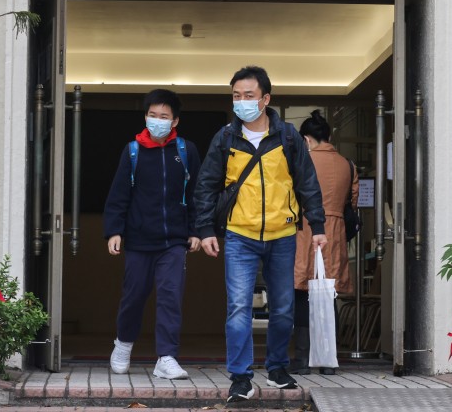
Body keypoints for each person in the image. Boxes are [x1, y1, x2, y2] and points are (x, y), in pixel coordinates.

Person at [194, 66, 326, 403]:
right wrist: (206, 229)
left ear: (266, 99)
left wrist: (318, 227)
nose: (241, 102)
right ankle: (240, 378)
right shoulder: (225, 138)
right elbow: (206, 185)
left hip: (282, 234)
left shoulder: (288, 136)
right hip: (240, 235)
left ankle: (278, 368)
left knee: (282, 308)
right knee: (239, 308)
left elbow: (307, 182)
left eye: (248, 96)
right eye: (236, 96)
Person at [103, 88, 202, 380]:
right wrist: (114, 231)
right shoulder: (132, 151)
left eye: (164, 116)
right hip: (137, 239)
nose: (157, 120)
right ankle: (123, 345)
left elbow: (196, 193)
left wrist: (195, 230)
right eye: (152, 115)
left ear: (175, 122)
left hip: (174, 240)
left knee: (170, 296)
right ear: (146, 117)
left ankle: (166, 357)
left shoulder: (186, 151)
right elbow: (119, 194)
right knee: (133, 296)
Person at [289, 110, 359, 376]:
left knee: (301, 294)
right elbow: (352, 204)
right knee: (329, 295)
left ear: (306, 139)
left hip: (305, 229)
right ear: (328, 137)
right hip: (335, 233)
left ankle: (303, 358)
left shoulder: (301, 161)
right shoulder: (347, 164)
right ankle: (329, 360)